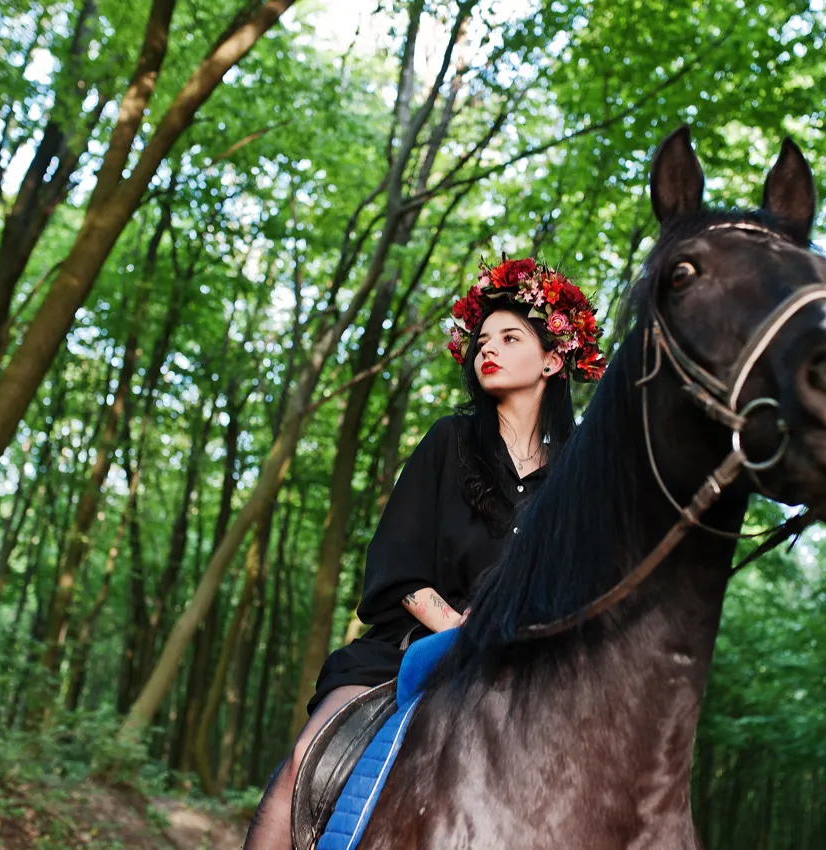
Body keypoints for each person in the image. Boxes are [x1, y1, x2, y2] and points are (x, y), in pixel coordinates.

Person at [242, 257, 606, 850]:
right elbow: (397, 569)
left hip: (537, 670)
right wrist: (461, 632)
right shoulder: (448, 442)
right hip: (411, 649)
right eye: (483, 339)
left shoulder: (583, 474)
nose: (488, 348)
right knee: (301, 765)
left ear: (552, 359)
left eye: (510, 338)